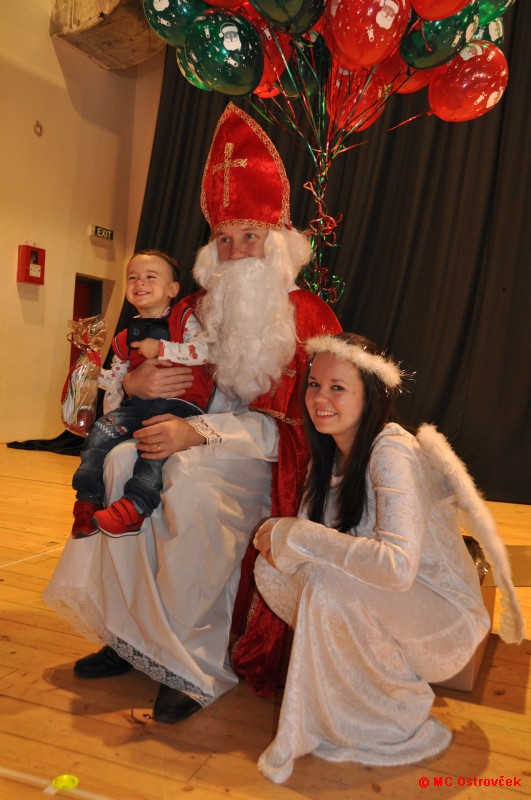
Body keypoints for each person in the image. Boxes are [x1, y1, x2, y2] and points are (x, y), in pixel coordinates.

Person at [43, 103, 341, 723]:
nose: (235, 252)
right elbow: (139, 375)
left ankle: (189, 661)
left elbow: (300, 428)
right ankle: (127, 633)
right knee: (119, 463)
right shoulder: (194, 310)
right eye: (224, 239)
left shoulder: (308, 316)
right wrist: (136, 383)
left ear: (277, 242)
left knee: (192, 490)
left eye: (249, 237)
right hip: (180, 434)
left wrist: (195, 432)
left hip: (259, 464)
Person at [253, 332, 525, 783]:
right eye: (314, 384)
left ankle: (389, 712)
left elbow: (396, 567)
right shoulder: (328, 454)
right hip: (393, 600)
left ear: (371, 395)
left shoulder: (392, 450)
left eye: (338, 387)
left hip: (443, 618)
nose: (320, 398)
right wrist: (292, 538)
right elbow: (306, 550)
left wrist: (296, 533)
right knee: (276, 567)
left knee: (321, 578)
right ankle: (349, 703)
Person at [71, 249, 214, 538]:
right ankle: (87, 503)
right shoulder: (124, 337)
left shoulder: (184, 318)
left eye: (150, 277)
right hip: (140, 406)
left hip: (181, 406)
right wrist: (91, 373)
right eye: (132, 277)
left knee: (155, 446)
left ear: (172, 289)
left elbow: (204, 351)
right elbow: (118, 379)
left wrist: (160, 348)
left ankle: (135, 507)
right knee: (101, 431)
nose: (140, 283)